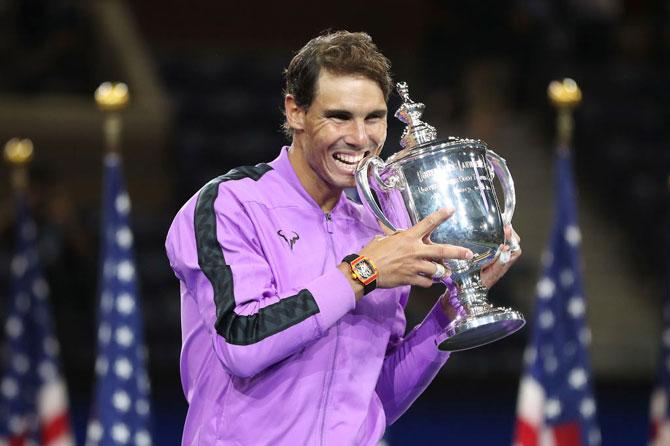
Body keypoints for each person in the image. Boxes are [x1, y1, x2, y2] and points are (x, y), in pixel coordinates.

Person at [165, 30, 521, 445]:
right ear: (295, 111)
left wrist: (450, 311)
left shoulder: (382, 227)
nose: (360, 138)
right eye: (339, 116)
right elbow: (242, 343)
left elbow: (375, 397)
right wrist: (363, 273)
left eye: (373, 118)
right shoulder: (230, 204)